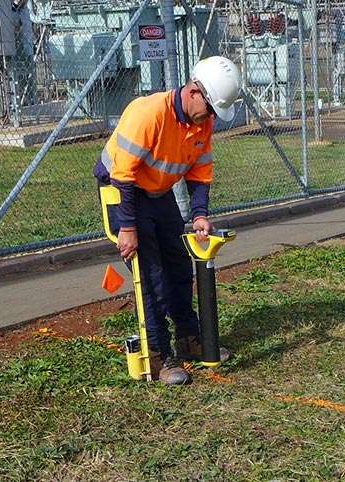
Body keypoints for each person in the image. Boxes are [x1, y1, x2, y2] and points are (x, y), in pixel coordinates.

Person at [94, 56, 242, 385]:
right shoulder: (147, 113)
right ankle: (159, 357)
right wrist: (128, 227)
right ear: (194, 92)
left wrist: (200, 213)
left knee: (177, 266)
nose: (213, 118)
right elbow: (123, 174)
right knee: (152, 275)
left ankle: (189, 338)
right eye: (212, 109)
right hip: (123, 192)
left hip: (158, 194)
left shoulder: (202, 122)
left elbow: (200, 171)